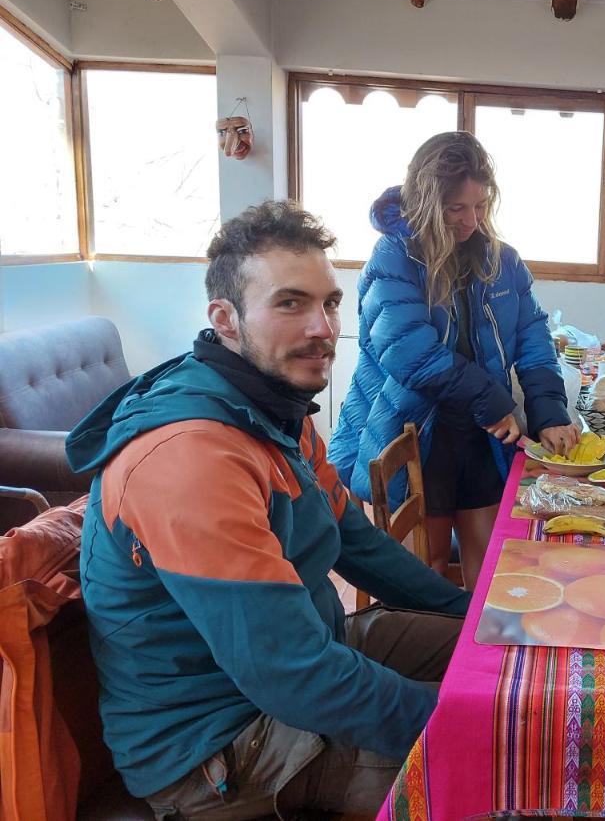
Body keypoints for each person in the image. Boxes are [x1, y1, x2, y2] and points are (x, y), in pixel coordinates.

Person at [65, 201, 471, 818]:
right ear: (225, 319)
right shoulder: (192, 454)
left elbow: (359, 545)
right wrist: (478, 731)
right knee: (484, 769)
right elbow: (292, 673)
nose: (323, 327)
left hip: (303, 658)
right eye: (290, 303)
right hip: (214, 744)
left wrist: (477, 614)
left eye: (330, 303)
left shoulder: (273, 409)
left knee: (497, 655)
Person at [329, 131, 576, 588]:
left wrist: (548, 411)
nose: (471, 220)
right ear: (426, 200)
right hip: (416, 429)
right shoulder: (394, 256)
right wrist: (494, 399)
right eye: (456, 208)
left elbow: (532, 334)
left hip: (480, 434)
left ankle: (483, 658)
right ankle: (435, 658)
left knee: (493, 570)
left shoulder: (503, 260)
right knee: (429, 572)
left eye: (480, 206)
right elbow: (408, 352)